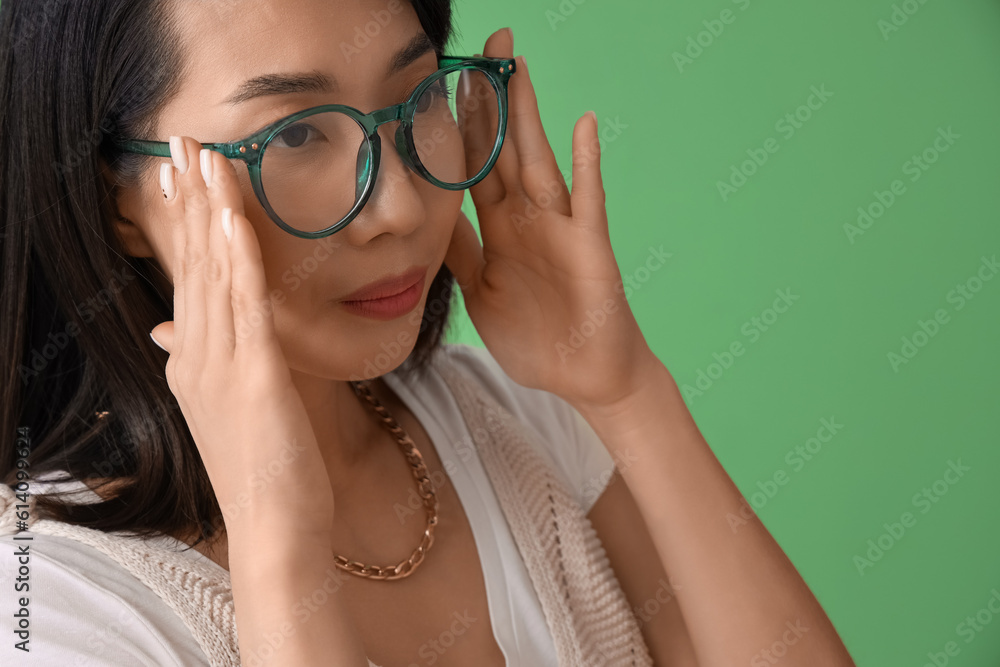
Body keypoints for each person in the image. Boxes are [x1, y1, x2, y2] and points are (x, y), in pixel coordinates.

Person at [0, 0, 858, 665]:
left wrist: (626, 391)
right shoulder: (52, 607)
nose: (401, 206)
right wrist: (278, 541)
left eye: (415, 100)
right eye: (295, 133)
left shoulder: (516, 420)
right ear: (120, 202)